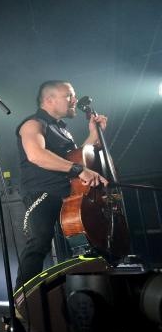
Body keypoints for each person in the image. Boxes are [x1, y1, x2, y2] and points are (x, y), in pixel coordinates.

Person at [15, 80, 108, 291]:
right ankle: (24, 302)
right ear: (49, 99)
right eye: (69, 95)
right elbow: (37, 155)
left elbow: (78, 158)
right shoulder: (33, 123)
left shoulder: (63, 130)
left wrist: (94, 135)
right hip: (44, 193)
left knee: (89, 242)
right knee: (39, 243)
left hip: (71, 194)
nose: (74, 99)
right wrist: (79, 170)